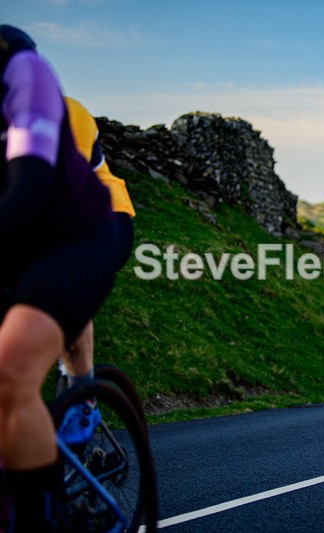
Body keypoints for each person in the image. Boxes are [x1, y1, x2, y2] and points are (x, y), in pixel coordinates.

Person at [0, 24, 121, 530]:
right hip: (23, 227)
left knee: (20, 355)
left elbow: (30, 184)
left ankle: (83, 395)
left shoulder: (41, 88)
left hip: (94, 218)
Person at [57, 96, 136, 445]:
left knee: (61, 291)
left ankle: (83, 397)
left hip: (103, 217)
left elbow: (56, 190)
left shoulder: (65, 112)